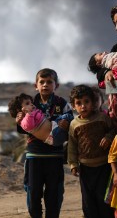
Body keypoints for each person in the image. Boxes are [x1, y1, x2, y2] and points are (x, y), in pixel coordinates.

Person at [15, 68, 73, 218]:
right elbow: (22, 128)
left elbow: (72, 122)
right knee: (33, 192)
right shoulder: (30, 102)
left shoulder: (62, 103)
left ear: (56, 85)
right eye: (42, 82)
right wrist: (19, 120)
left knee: (54, 194)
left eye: (49, 82)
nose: (45, 85)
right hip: (34, 156)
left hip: (55, 156)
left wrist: (66, 124)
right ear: (36, 85)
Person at [67, 84, 115, 218]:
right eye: (78, 103)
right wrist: (73, 164)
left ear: (93, 102)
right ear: (73, 106)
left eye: (86, 102)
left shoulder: (102, 118)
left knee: (104, 199)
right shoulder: (74, 124)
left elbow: (113, 131)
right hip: (85, 169)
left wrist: (108, 137)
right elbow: (72, 145)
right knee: (88, 202)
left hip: (104, 167)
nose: (83, 106)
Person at [8, 93, 73, 146]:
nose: (31, 104)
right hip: (53, 136)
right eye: (27, 103)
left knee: (66, 116)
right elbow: (29, 125)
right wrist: (28, 114)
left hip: (54, 127)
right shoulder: (24, 122)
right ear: (19, 110)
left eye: (31, 102)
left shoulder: (59, 101)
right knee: (68, 120)